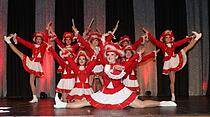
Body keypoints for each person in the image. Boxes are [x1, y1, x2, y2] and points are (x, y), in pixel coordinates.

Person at [54, 43, 177, 109]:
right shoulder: (106, 65)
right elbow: (99, 53)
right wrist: (101, 43)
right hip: (105, 92)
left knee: (140, 105)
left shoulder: (120, 65)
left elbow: (127, 64)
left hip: (120, 92)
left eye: (112, 55)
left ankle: (163, 103)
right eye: (108, 55)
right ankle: (62, 104)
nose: (109, 57)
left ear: (116, 56)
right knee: (86, 102)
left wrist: (136, 55)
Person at [143, 28, 202, 101]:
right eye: (166, 37)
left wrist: (190, 38)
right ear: (164, 39)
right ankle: (173, 95)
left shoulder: (173, 44)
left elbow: (182, 41)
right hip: (169, 63)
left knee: (185, 49)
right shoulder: (162, 45)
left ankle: (197, 37)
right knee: (172, 81)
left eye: (169, 37)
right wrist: (148, 34)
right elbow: (154, 41)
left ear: (171, 38)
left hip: (174, 60)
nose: (168, 39)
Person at [4, 26, 49, 103]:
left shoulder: (43, 46)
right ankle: (8, 41)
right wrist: (16, 37)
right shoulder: (33, 45)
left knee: (31, 81)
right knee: (19, 53)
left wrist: (47, 30)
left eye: (40, 39)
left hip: (36, 64)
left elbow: (47, 39)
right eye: (37, 39)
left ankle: (35, 97)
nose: (38, 40)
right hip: (32, 62)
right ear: (35, 39)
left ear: (42, 40)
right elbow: (24, 42)